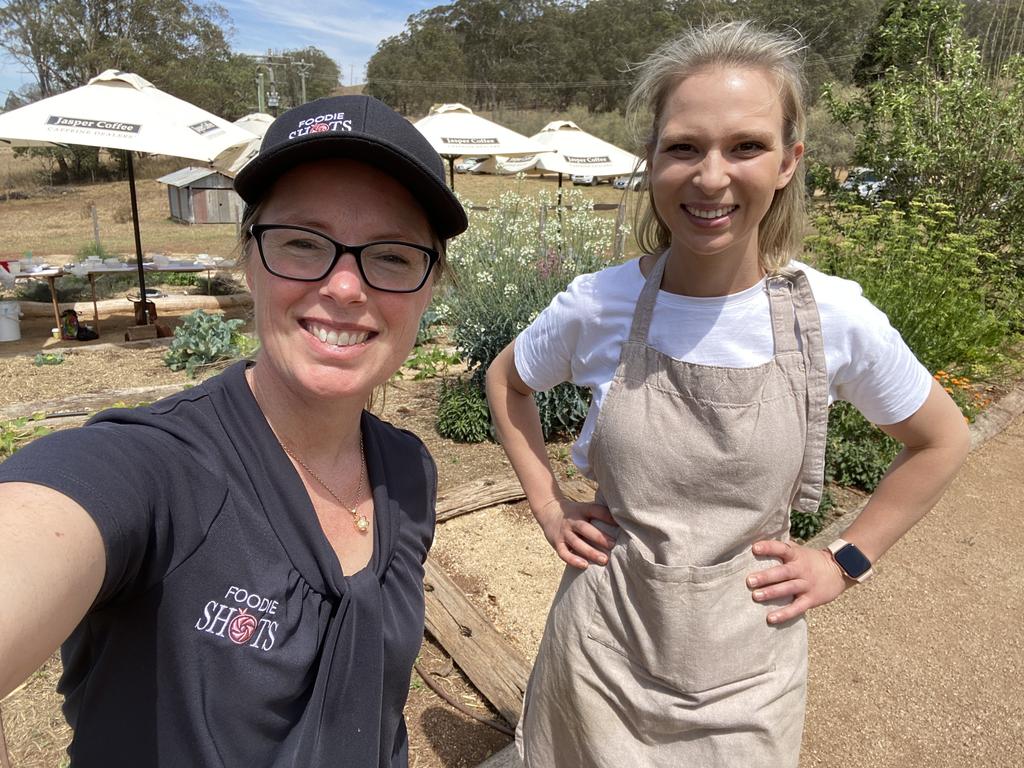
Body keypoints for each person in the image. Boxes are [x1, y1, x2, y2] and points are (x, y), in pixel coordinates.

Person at [485, 21, 970, 767]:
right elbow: (507, 380)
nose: (712, 177)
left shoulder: (833, 320)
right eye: (685, 147)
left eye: (745, 147)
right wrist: (549, 504)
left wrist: (844, 559)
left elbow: (942, 439)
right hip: (600, 658)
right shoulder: (599, 304)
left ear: (787, 162)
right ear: (652, 160)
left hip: (750, 676)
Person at [0, 94, 467, 766]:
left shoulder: (407, 472)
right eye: (302, 243)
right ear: (248, 262)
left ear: (430, 287)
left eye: (392, 256)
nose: (343, 286)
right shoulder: (159, 471)